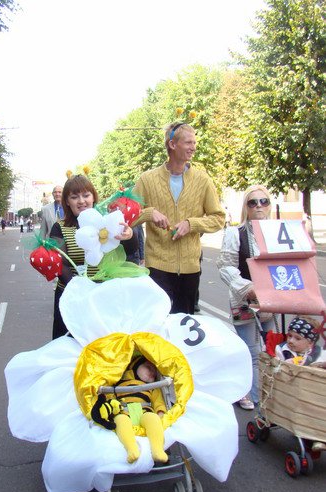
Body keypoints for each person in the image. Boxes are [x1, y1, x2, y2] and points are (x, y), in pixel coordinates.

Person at [132, 122, 225, 314]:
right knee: (158, 321)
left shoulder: (203, 180)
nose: (194, 147)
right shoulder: (147, 179)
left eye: (194, 142)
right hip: (157, 266)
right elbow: (129, 216)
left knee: (184, 324)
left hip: (190, 269)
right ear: (172, 144)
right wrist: (149, 213)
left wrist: (192, 224)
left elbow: (218, 218)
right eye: (188, 142)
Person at [49, 175, 134, 339]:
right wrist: (81, 290)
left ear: (93, 197)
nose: (81, 201)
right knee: (70, 345)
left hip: (103, 296)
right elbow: (61, 264)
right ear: (67, 202)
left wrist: (129, 235)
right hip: (71, 296)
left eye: (86, 195)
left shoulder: (107, 222)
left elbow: (130, 251)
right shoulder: (59, 227)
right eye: (74, 197)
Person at [217, 184, 277, 410]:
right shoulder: (236, 234)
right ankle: (249, 395)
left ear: (269, 205)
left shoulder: (278, 233)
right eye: (253, 202)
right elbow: (226, 266)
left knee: (272, 350)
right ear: (246, 207)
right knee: (249, 351)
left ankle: (269, 394)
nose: (259, 206)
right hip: (244, 300)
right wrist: (247, 288)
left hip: (272, 301)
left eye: (264, 201)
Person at [92, 355, 168, 464]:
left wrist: (160, 412)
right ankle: (131, 449)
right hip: (124, 410)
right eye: (148, 367)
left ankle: (158, 450)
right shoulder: (118, 383)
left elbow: (158, 401)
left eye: (155, 372)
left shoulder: (153, 387)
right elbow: (109, 397)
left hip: (144, 410)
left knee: (153, 418)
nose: (152, 372)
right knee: (120, 420)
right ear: (135, 366)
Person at [275, 315, 326, 451]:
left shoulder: (316, 354)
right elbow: (275, 367)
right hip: (290, 391)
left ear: (310, 343)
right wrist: (284, 363)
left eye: (297, 338)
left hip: (313, 390)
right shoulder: (283, 350)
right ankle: (317, 437)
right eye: (290, 336)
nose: (291, 341)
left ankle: (320, 438)